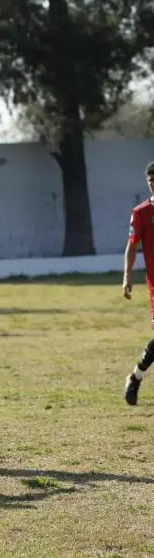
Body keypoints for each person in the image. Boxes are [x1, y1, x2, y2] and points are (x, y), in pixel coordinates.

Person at [123, 161, 154, 405]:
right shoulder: (141, 213)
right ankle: (136, 376)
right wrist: (127, 277)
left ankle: (135, 376)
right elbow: (132, 247)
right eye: (150, 180)